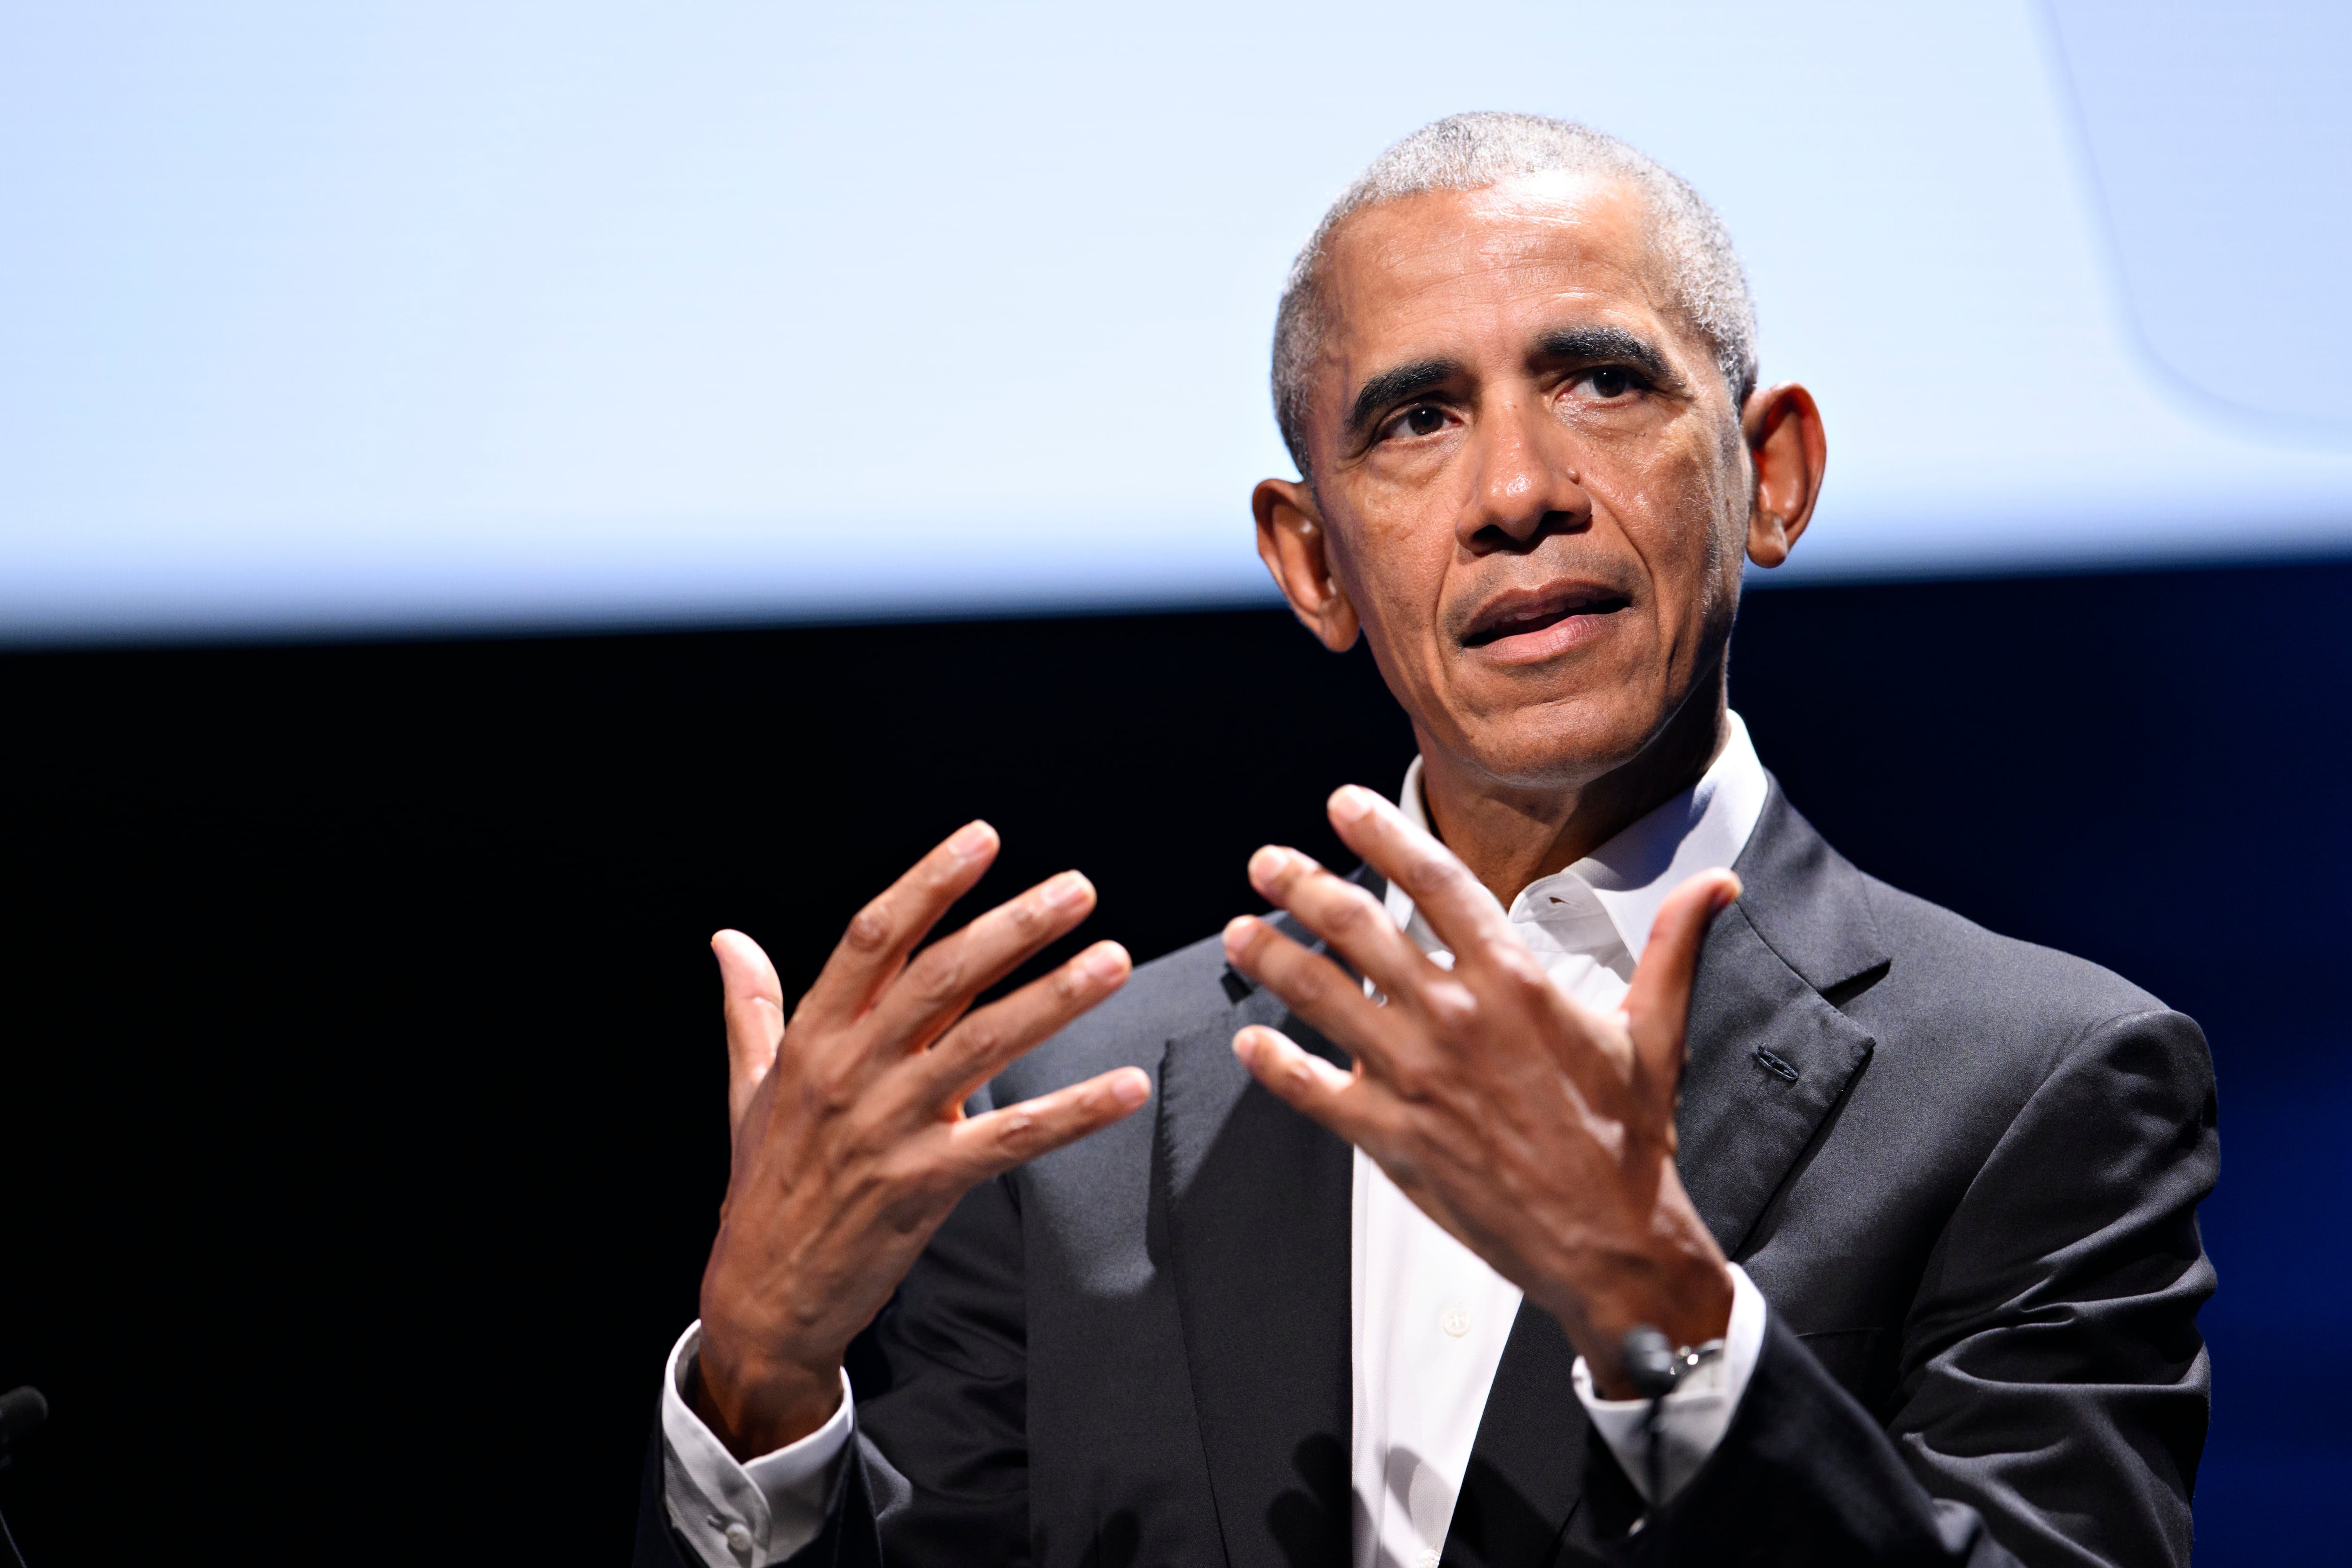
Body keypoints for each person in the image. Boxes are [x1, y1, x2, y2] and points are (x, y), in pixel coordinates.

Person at [636, 113, 2215, 1567]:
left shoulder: (2038, 1081)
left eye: (1601, 379)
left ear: (1772, 477)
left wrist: (1660, 1314)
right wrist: (765, 1386)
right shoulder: (1073, 1120)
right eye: (1415, 419)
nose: (1519, 493)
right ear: (1311, 561)